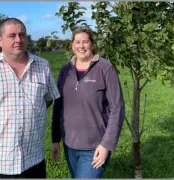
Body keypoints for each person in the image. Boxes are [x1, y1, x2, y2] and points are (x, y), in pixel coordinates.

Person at [0, 17, 60, 178]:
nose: (18, 40)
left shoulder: (43, 66)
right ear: (0, 40)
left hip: (33, 159)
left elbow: (48, 99)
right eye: (12, 35)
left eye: (22, 35)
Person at [51, 26, 125, 178]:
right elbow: (58, 106)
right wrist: (55, 139)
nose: (81, 46)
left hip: (95, 146)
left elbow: (117, 108)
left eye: (85, 42)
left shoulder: (105, 68)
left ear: (92, 44)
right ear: (72, 45)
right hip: (70, 145)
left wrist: (106, 145)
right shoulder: (66, 70)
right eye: (77, 42)